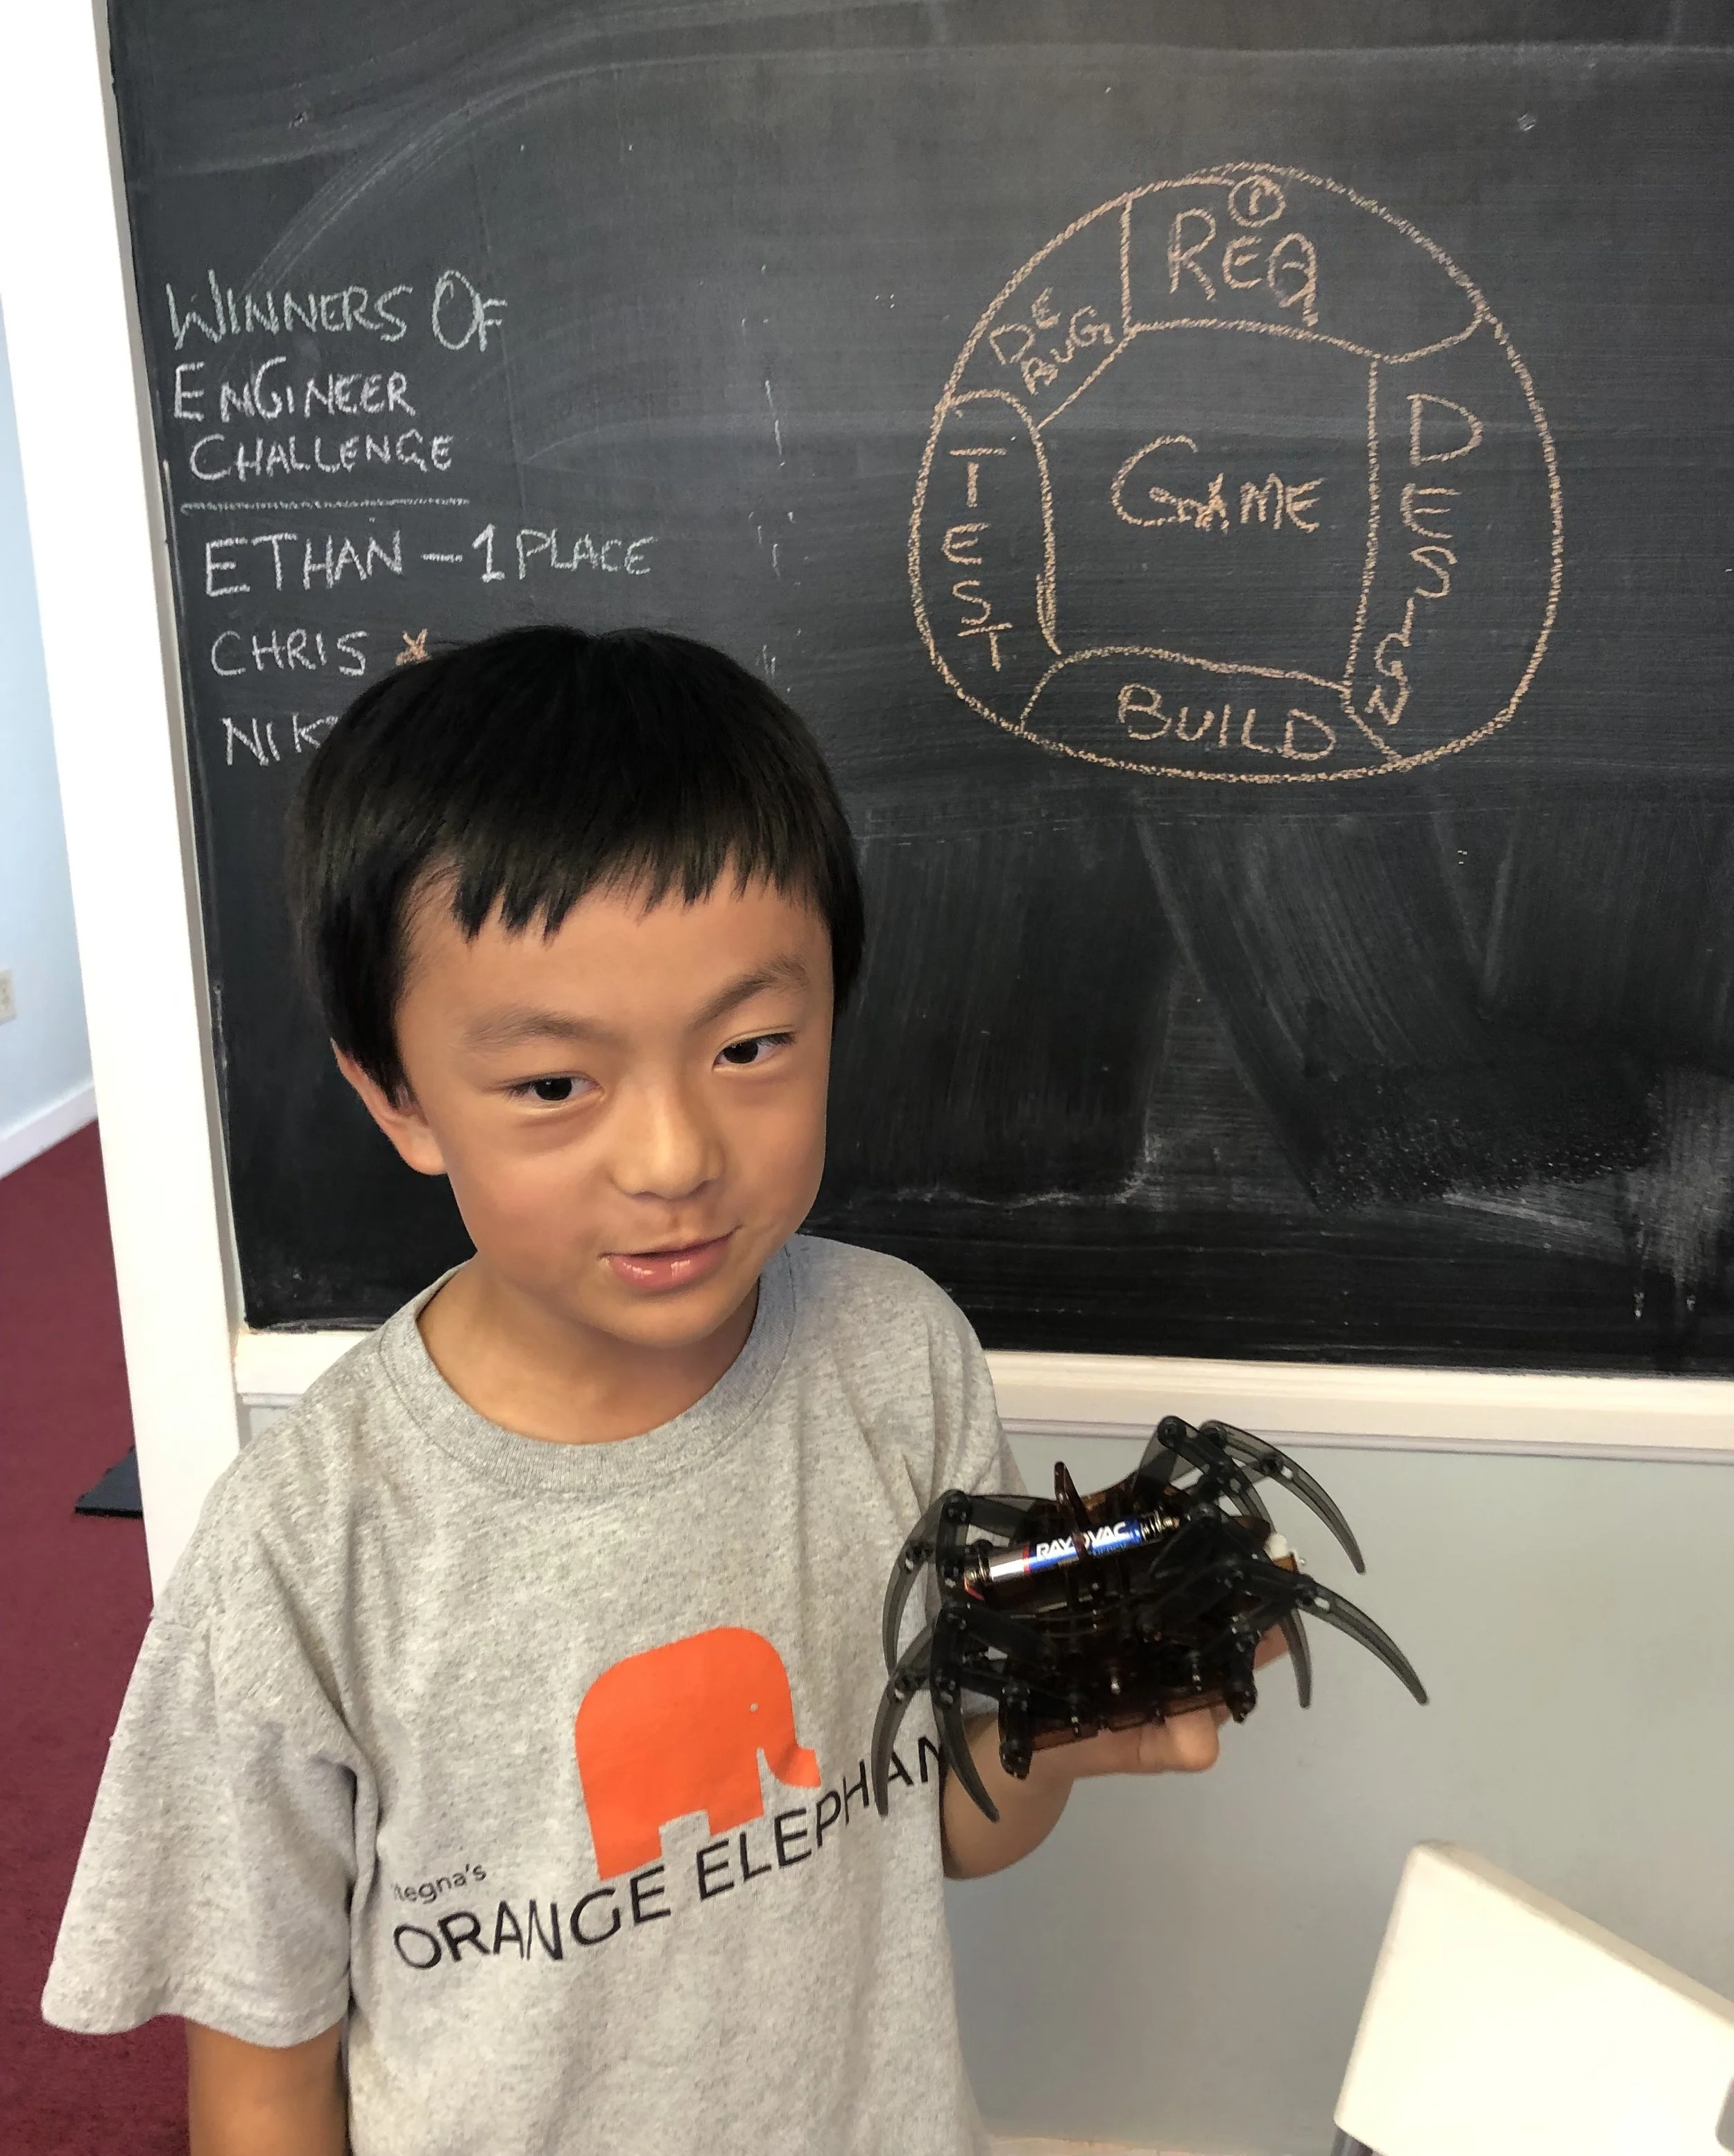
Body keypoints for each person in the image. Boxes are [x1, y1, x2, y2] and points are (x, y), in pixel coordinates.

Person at [42, 625, 1229, 2156]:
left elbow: (937, 1828)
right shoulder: (304, 1544)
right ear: (397, 1096)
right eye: (554, 1084)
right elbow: (264, 2076)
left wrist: (1065, 1725)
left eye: (751, 1046)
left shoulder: (901, 1360)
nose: (673, 1157)